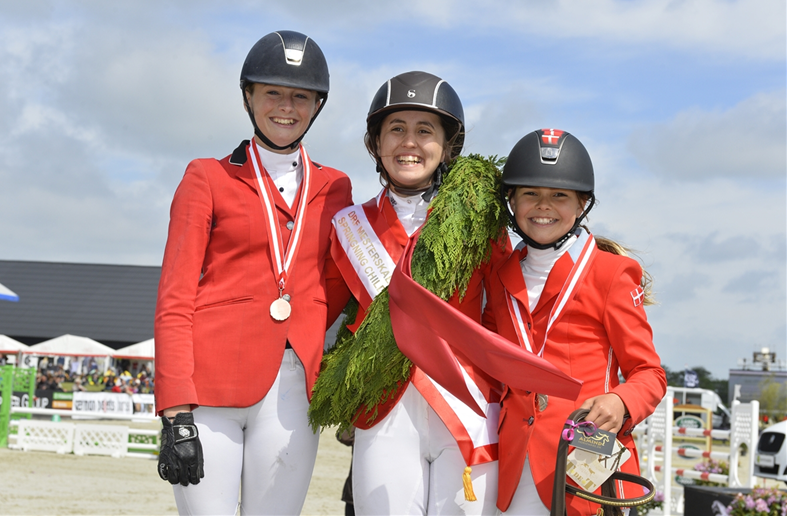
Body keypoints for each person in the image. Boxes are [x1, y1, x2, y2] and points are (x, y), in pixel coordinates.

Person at [154, 30, 352, 515]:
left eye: (300, 96)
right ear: (248, 96)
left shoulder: (336, 188)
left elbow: (333, 288)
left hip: (291, 390)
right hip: (209, 387)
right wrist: (175, 408)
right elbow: (175, 297)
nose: (286, 106)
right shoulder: (207, 177)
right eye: (272, 93)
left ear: (317, 105)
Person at [325, 71, 508, 515]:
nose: (410, 142)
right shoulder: (349, 227)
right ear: (376, 144)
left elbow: (502, 316)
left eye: (425, 130)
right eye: (396, 129)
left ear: (447, 148)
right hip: (383, 411)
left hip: (465, 405)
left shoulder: (483, 223)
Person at [482, 129, 667, 515]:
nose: (543, 206)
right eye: (530, 193)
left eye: (559, 196)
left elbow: (649, 373)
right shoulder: (498, 275)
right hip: (514, 467)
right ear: (512, 200)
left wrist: (621, 400)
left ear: (582, 203)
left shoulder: (612, 273)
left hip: (585, 466)